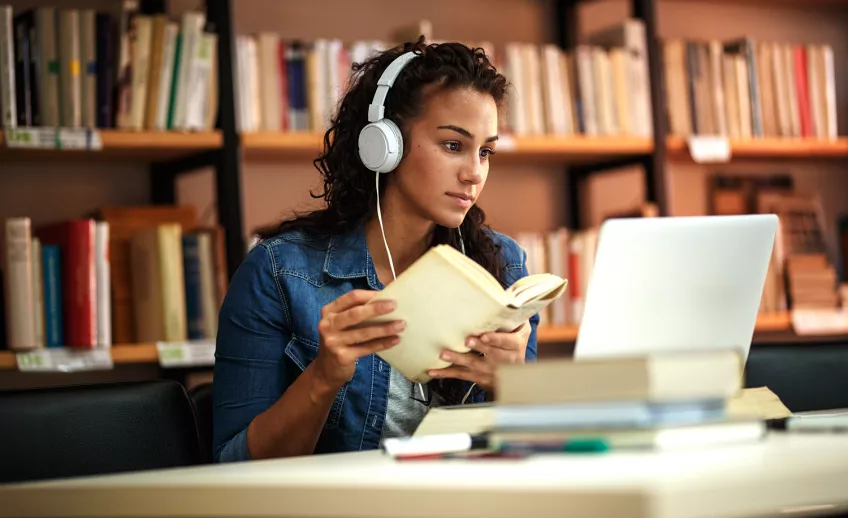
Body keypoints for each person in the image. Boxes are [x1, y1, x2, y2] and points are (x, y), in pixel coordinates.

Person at [212, 38, 540, 463]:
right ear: (385, 145)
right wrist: (324, 377)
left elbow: (528, 455)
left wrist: (514, 387)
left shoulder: (504, 266)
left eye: (485, 151)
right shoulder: (277, 273)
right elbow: (234, 466)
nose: (474, 173)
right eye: (453, 146)